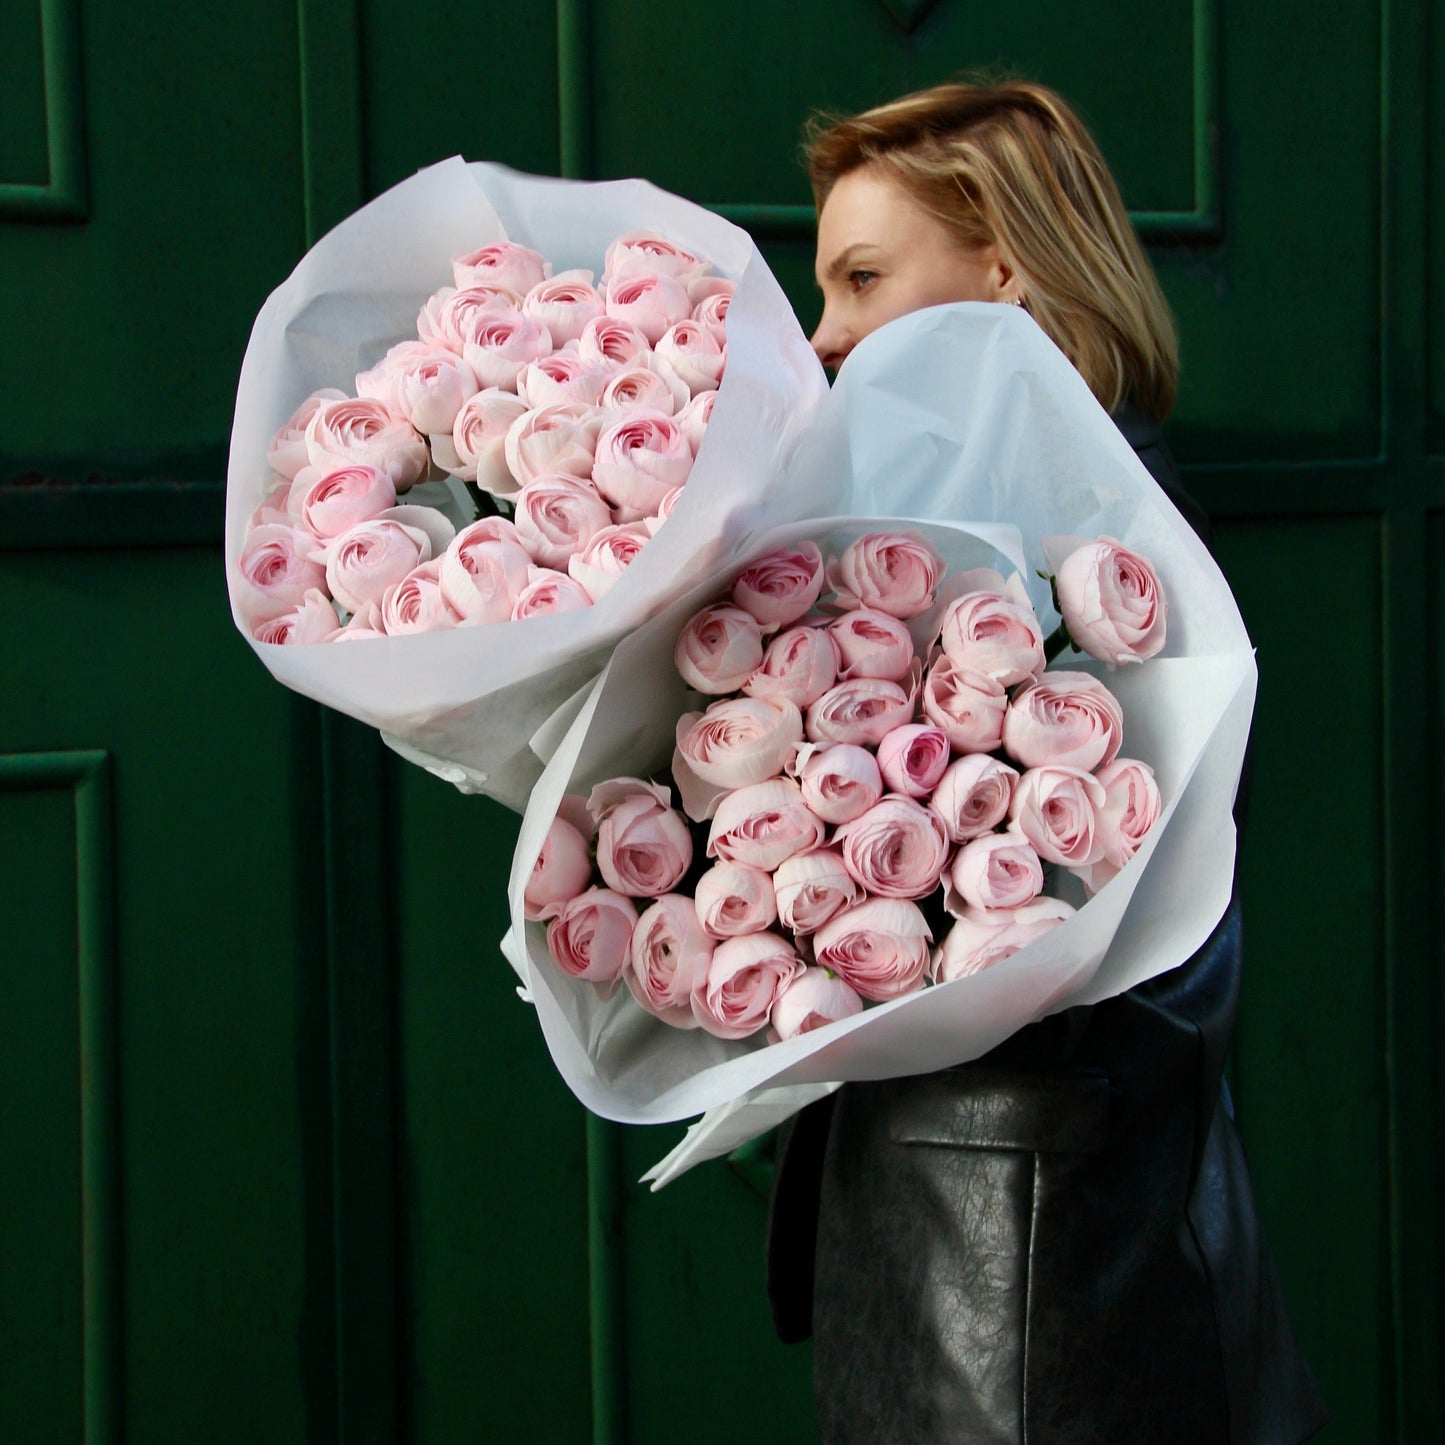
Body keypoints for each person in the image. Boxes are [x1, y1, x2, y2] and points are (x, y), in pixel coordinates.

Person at [766, 80, 1330, 1445]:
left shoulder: (1089, 560)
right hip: (1004, 1216)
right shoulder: (989, 523)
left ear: (1004, 269)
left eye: (860, 278)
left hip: (1026, 1248)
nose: (822, 331)